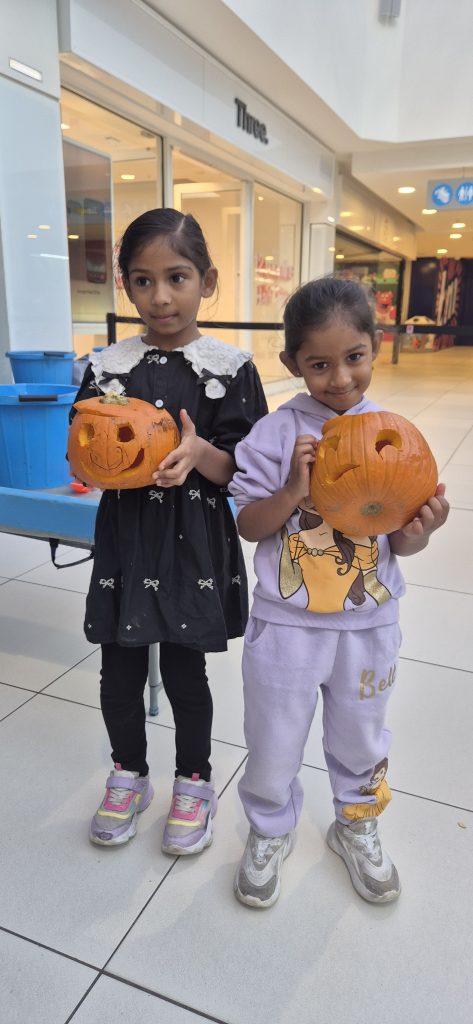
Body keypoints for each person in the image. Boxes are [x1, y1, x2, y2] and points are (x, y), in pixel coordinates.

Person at [229, 276, 449, 908]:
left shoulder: (394, 435)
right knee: (273, 737)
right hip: (286, 625)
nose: (340, 377)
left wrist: (420, 532)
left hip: (368, 624)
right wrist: (293, 492)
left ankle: (356, 823)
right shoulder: (273, 436)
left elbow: (396, 546)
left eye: (353, 358)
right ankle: (270, 828)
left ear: (375, 347)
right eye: (319, 364)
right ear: (292, 363)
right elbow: (249, 526)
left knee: (362, 736)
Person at [71, 208, 267, 855]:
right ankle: (128, 772)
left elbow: (245, 468)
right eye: (143, 280)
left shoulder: (229, 367)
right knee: (118, 670)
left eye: (176, 277)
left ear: (205, 281)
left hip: (192, 542)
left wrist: (195, 452)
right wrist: (90, 463)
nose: (160, 296)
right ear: (126, 286)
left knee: (185, 673)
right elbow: (82, 447)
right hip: (127, 540)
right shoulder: (107, 366)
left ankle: (194, 779)